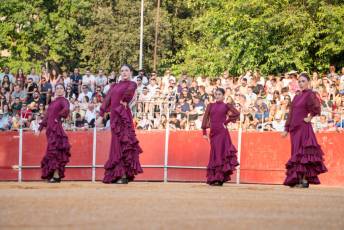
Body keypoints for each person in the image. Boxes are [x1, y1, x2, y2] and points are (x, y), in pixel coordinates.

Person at [281, 73, 327, 188]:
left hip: (303, 128)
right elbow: (291, 114)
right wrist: (286, 129)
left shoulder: (310, 94)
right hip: (294, 130)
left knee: (304, 154)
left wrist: (310, 117)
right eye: (299, 81)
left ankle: (305, 180)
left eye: (303, 81)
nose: (301, 83)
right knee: (296, 154)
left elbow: (317, 107)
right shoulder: (296, 96)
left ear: (308, 82)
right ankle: (299, 179)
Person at [98, 64, 143, 184]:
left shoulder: (132, 84)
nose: (124, 73)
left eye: (126, 70)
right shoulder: (114, 86)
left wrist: (124, 100)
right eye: (122, 70)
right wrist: (101, 115)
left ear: (130, 72)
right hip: (114, 117)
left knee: (124, 143)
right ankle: (119, 174)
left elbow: (129, 93)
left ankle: (123, 174)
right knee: (116, 143)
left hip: (124, 116)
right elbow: (107, 99)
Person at [202, 88, 240, 186]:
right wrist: (204, 132)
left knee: (220, 154)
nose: (217, 96)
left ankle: (218, 178)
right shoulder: (210, 105)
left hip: (222, 133)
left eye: (219, 94)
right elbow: (205, 118)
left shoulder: (226, 105)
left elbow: (237, 113)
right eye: (216, 94)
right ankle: (215, 178)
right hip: (213, 133)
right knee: (214, 154)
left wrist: (226, 122)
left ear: (223, 96)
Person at [37, 83, 71, 183]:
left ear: (64, 90)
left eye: (61, 88)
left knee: (54, 151)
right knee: (52, 152)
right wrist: (40, 128)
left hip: (56, 129)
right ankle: (54, 175)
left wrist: (58, 117)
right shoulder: (53, 102)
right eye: (57, 88)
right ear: (55, 90)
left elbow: (66, 109)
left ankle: (56, 175)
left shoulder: (64, 100)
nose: (59, 90)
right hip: (49, 130)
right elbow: (47, 116)